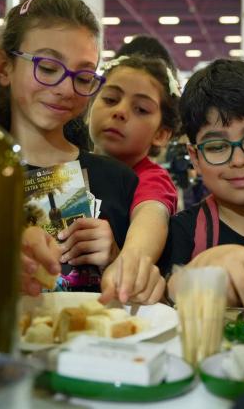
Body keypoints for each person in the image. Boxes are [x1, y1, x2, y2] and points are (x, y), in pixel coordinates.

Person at [0, 0, 138, 297]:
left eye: (83, 77)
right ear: (4, 66)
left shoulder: (118, 180)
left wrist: (114, 259)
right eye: (47, 68)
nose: (66, 89)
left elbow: (146, 302)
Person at [159, 59, 244, 322]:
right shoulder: (177, 235)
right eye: (217, 147)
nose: (238, 160)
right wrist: (185, 281)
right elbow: (157, 299)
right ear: (195, 158)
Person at [88, 54, 181, 304]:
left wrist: (130, 261)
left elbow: (152, 214)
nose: (120, 112)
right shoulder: (68, 165)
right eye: (110, 99)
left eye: (140, 109)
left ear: (161, 134)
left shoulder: (151, 179)